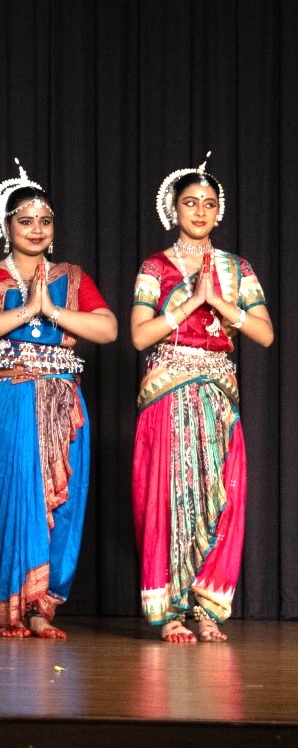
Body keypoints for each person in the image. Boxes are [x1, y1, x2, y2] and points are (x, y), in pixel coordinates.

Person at [0, 159, 117, 639]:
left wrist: (52, 310)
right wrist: (27, 309)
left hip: (63, 407)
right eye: (25, 221)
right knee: (13, 499)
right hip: (5, 402)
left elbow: (106, 328)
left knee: (63, 505)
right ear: (6, 226)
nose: (36, 229)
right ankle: (9, 608)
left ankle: (42, 609)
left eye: (45, 221)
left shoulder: (71, 276)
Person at [130, 153, 272, 643]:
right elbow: (138, 335)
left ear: (219, 212)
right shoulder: (155, 266)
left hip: (218, 397)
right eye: (190, 203)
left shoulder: (238, 268)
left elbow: (265, 334)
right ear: (173, 209)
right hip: (169, 390)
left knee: (223, 497)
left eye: (208, 204)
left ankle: (207, 608)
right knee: (170, 496)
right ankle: (168, 610)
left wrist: (221, 302)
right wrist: (192, 301)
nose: (199, 212)